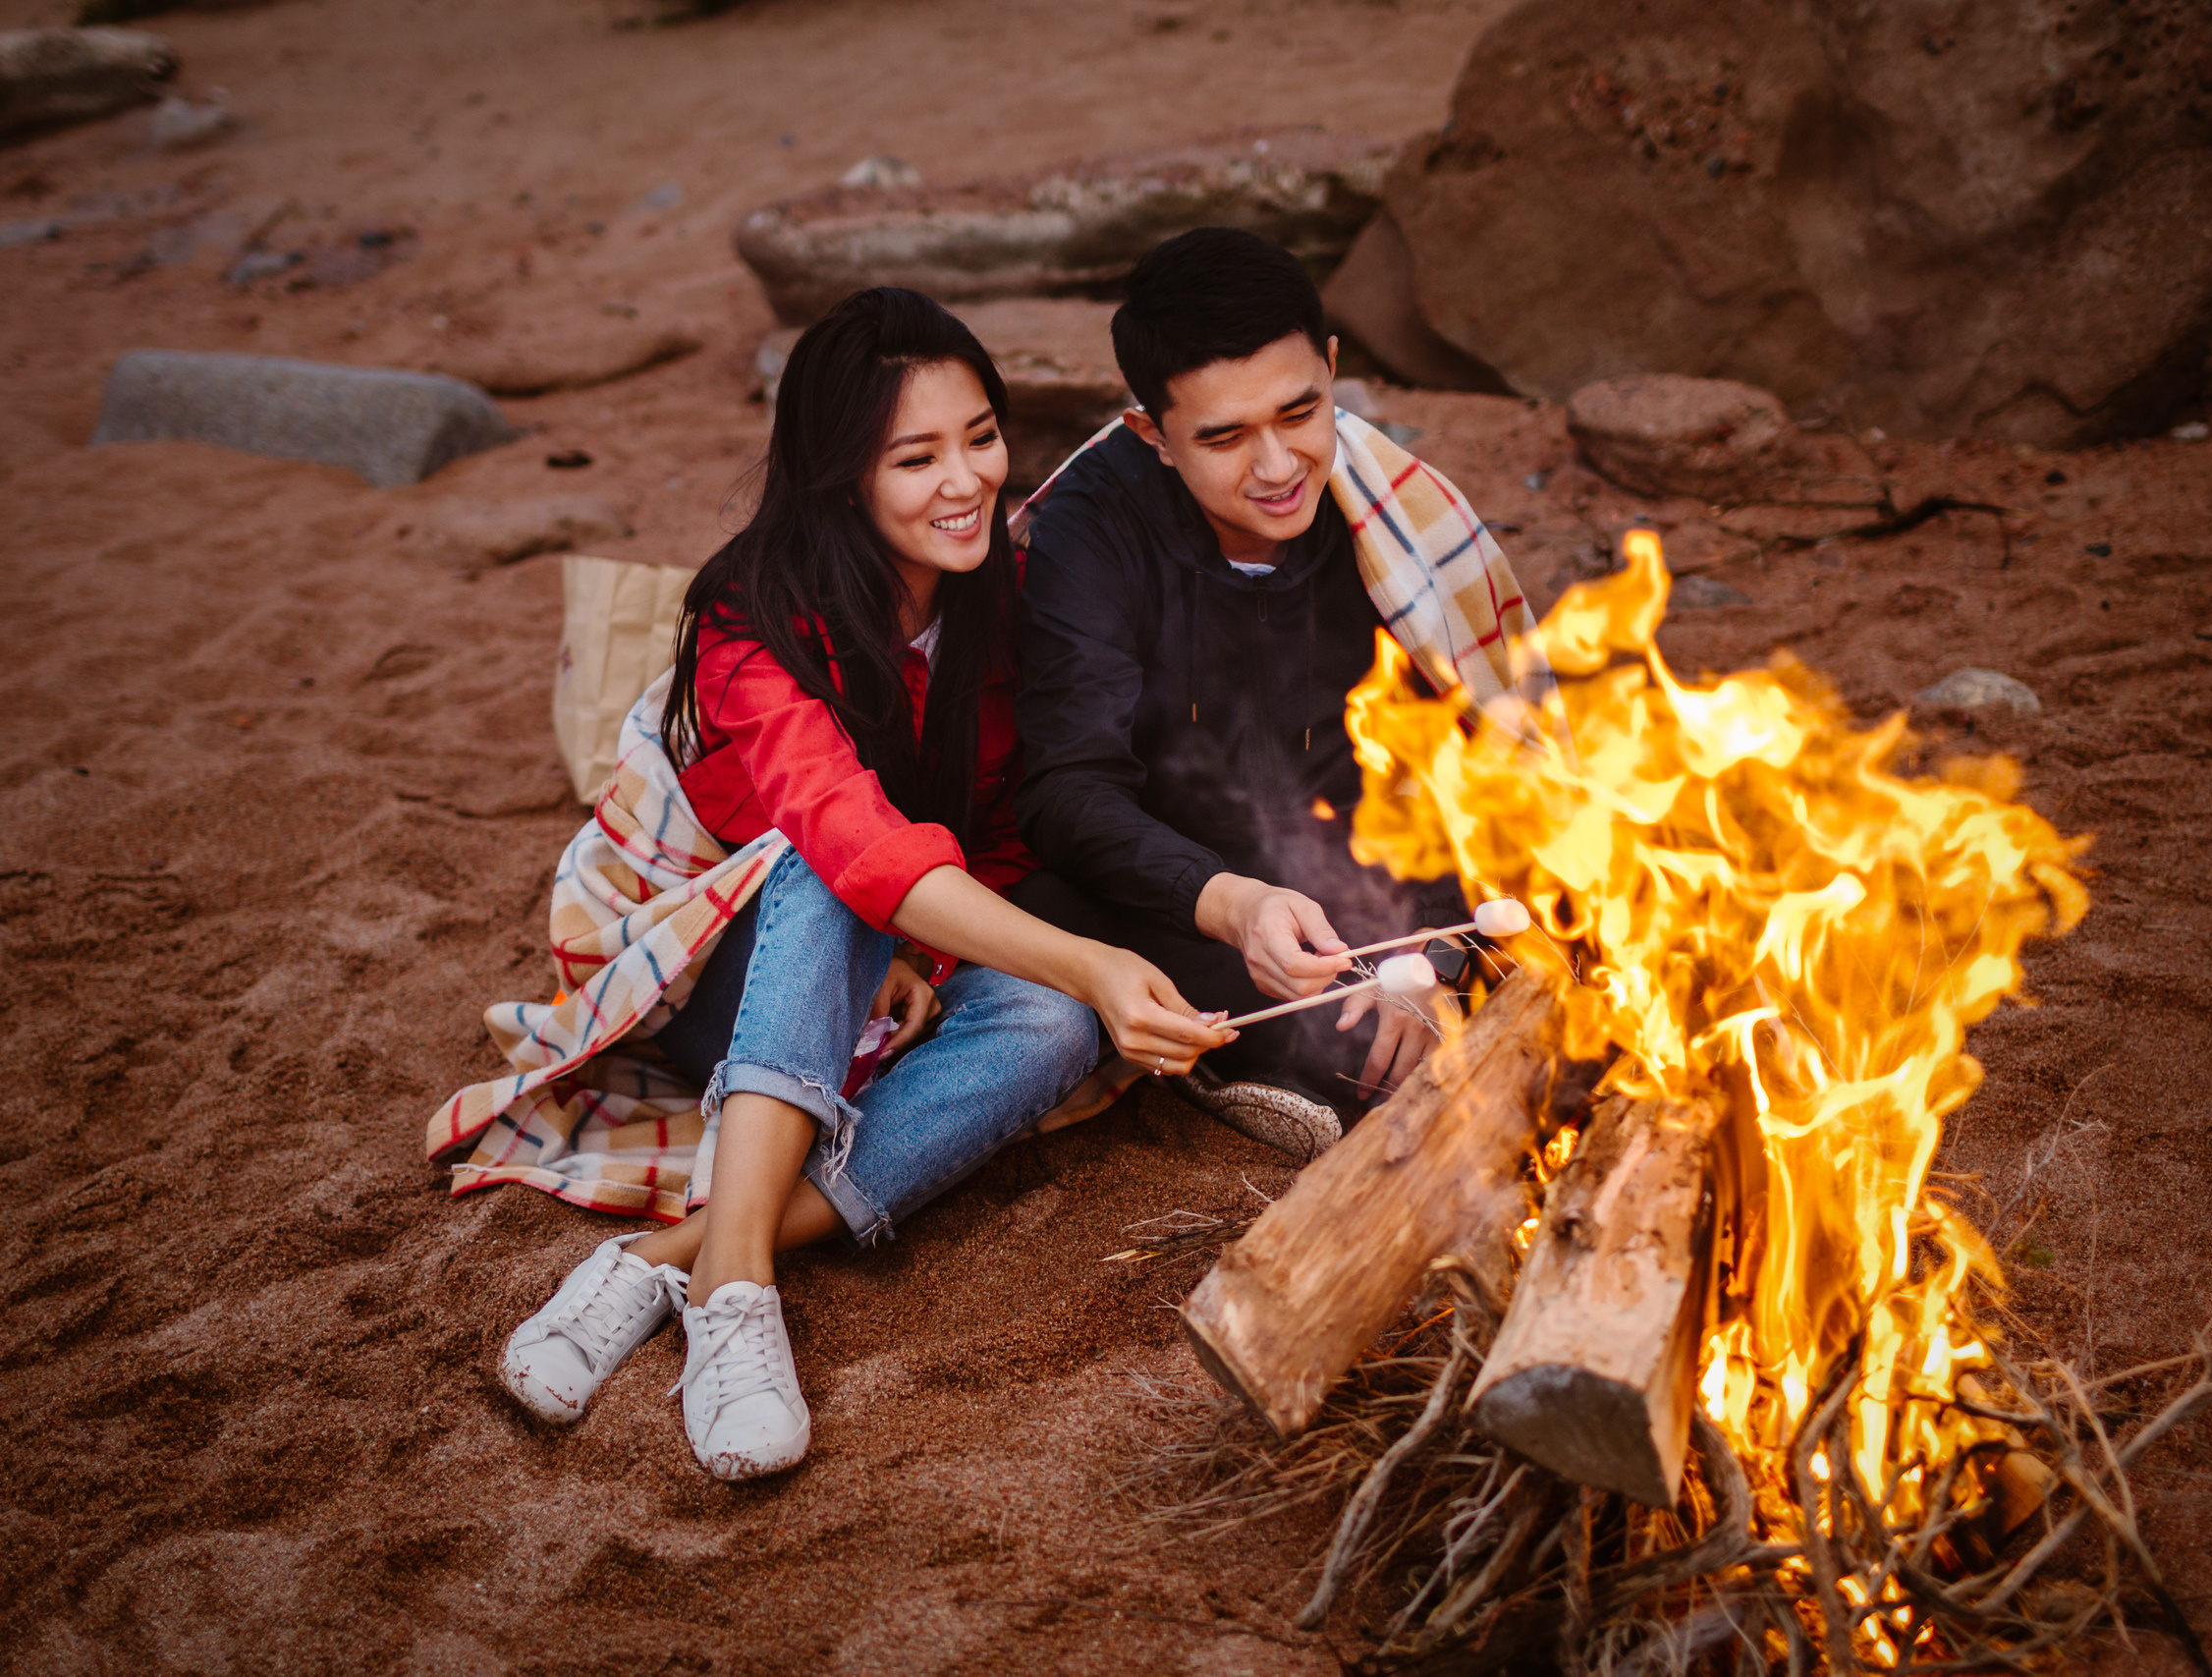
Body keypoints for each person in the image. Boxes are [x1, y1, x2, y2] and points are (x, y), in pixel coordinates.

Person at [497, 289, 1231, 1482]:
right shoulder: (749, 618)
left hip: (868, 975)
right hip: (712, 968)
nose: (966, 480)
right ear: (843, 474)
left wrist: (932, 954)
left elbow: (998, 835)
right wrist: (1093, 959)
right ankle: (737, 1297)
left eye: (980, 437)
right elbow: (844, 837)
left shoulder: (999, 601)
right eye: (916, 457)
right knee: (835, 868)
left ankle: (670, 1258)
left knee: (1053, 1023)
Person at [1011, 228, 1508, 1150]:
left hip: (1365, 884)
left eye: (1299, 412)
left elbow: (1466, 750)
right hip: (1180, 895)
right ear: (1152, 435)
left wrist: (1427, 953)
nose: (1278, 467)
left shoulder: (1389, 515)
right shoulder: (1092, 530)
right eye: (1225, 436)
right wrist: (1231, 903)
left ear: (1331, 367)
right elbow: (1067, 792)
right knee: (1049, 917)